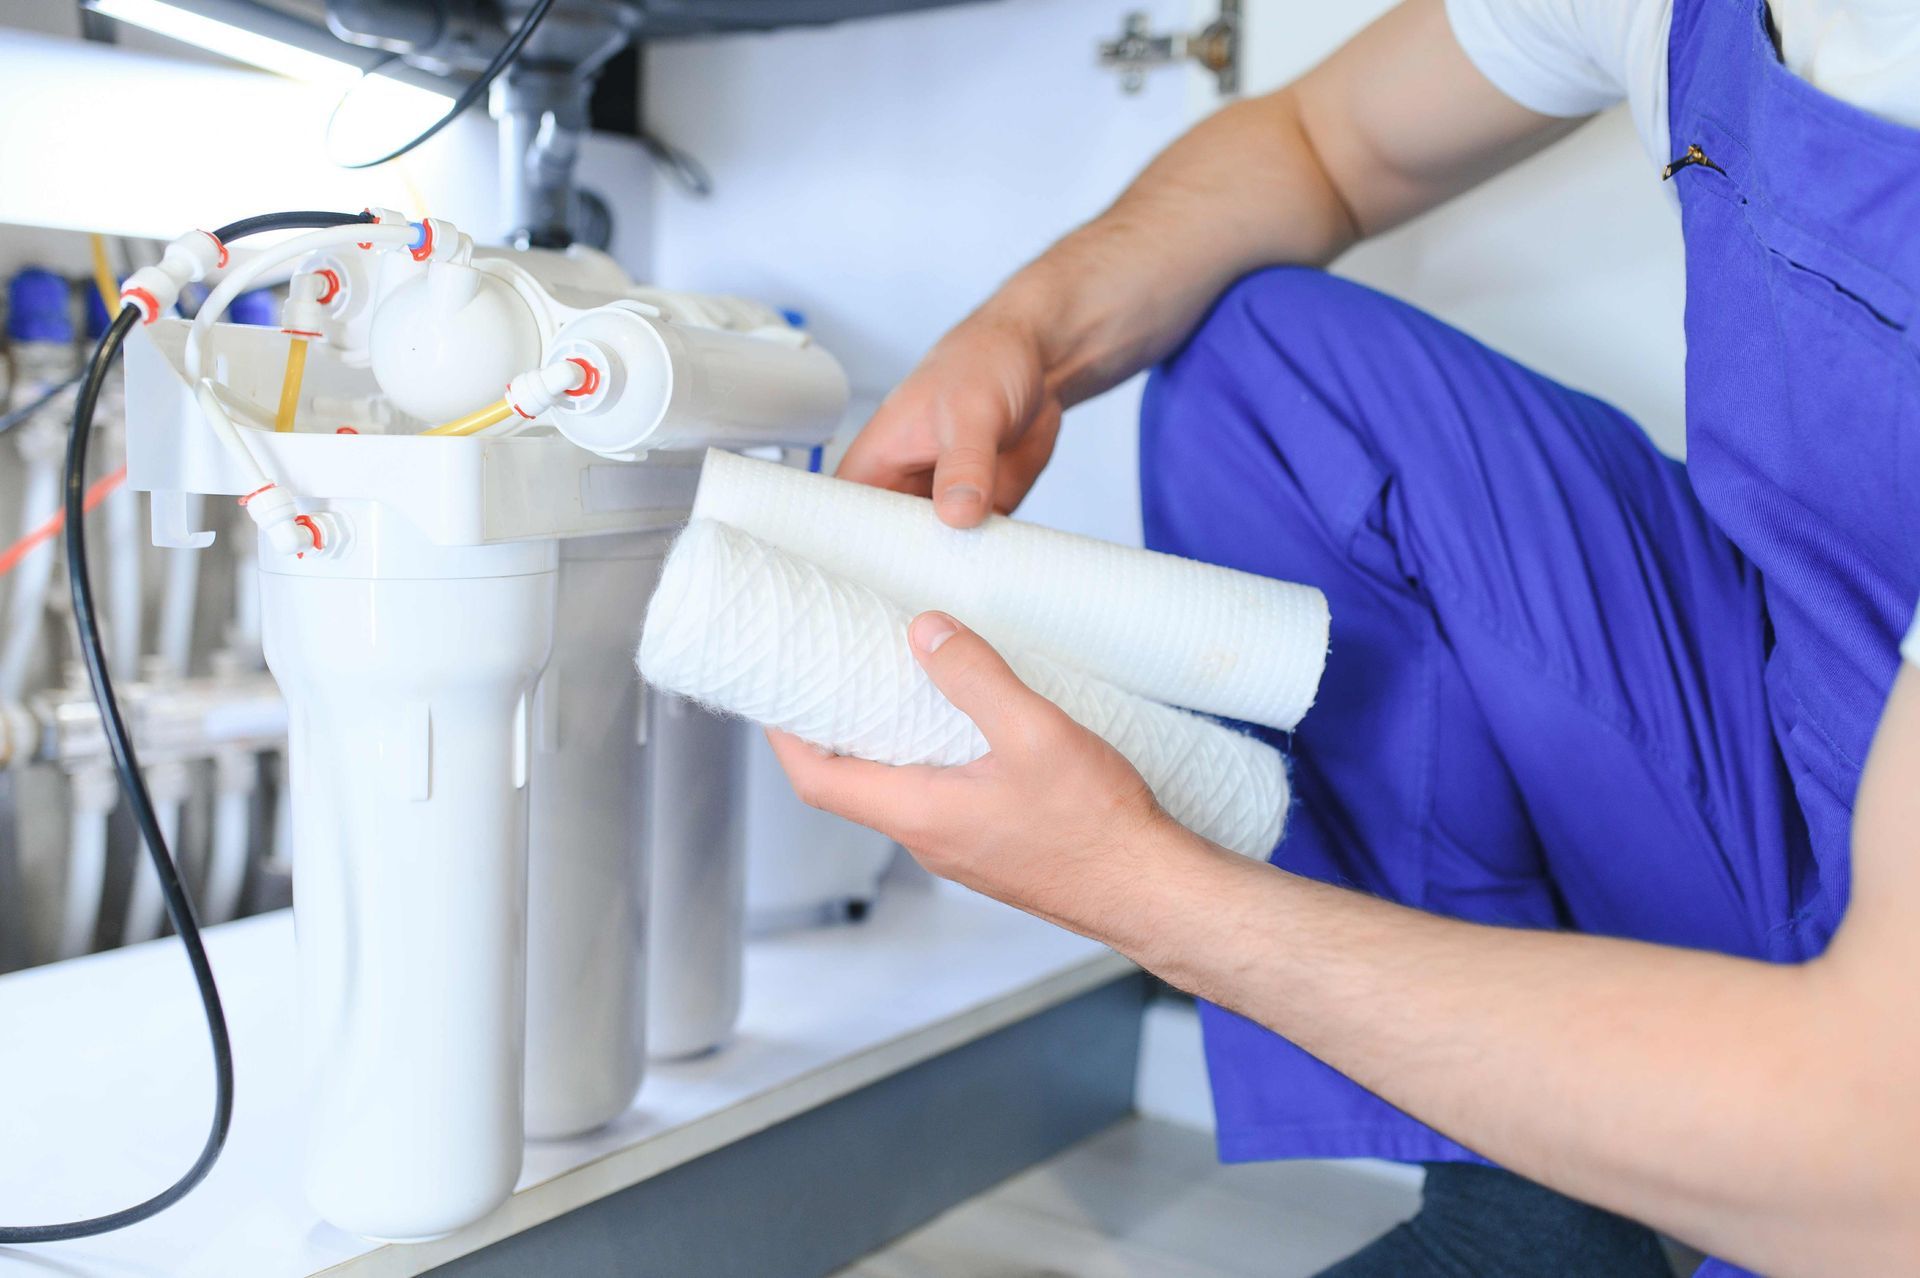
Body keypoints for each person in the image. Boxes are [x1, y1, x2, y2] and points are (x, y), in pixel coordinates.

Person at [768, 0, 1920, 1273]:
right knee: (1274, 384)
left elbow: (1885, 1152)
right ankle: (1531, 1212)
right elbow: (1322, 142)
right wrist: (1026, 333)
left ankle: (1677, 1181)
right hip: (1829, 722)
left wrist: (1143, 887)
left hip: (1884, 1120)